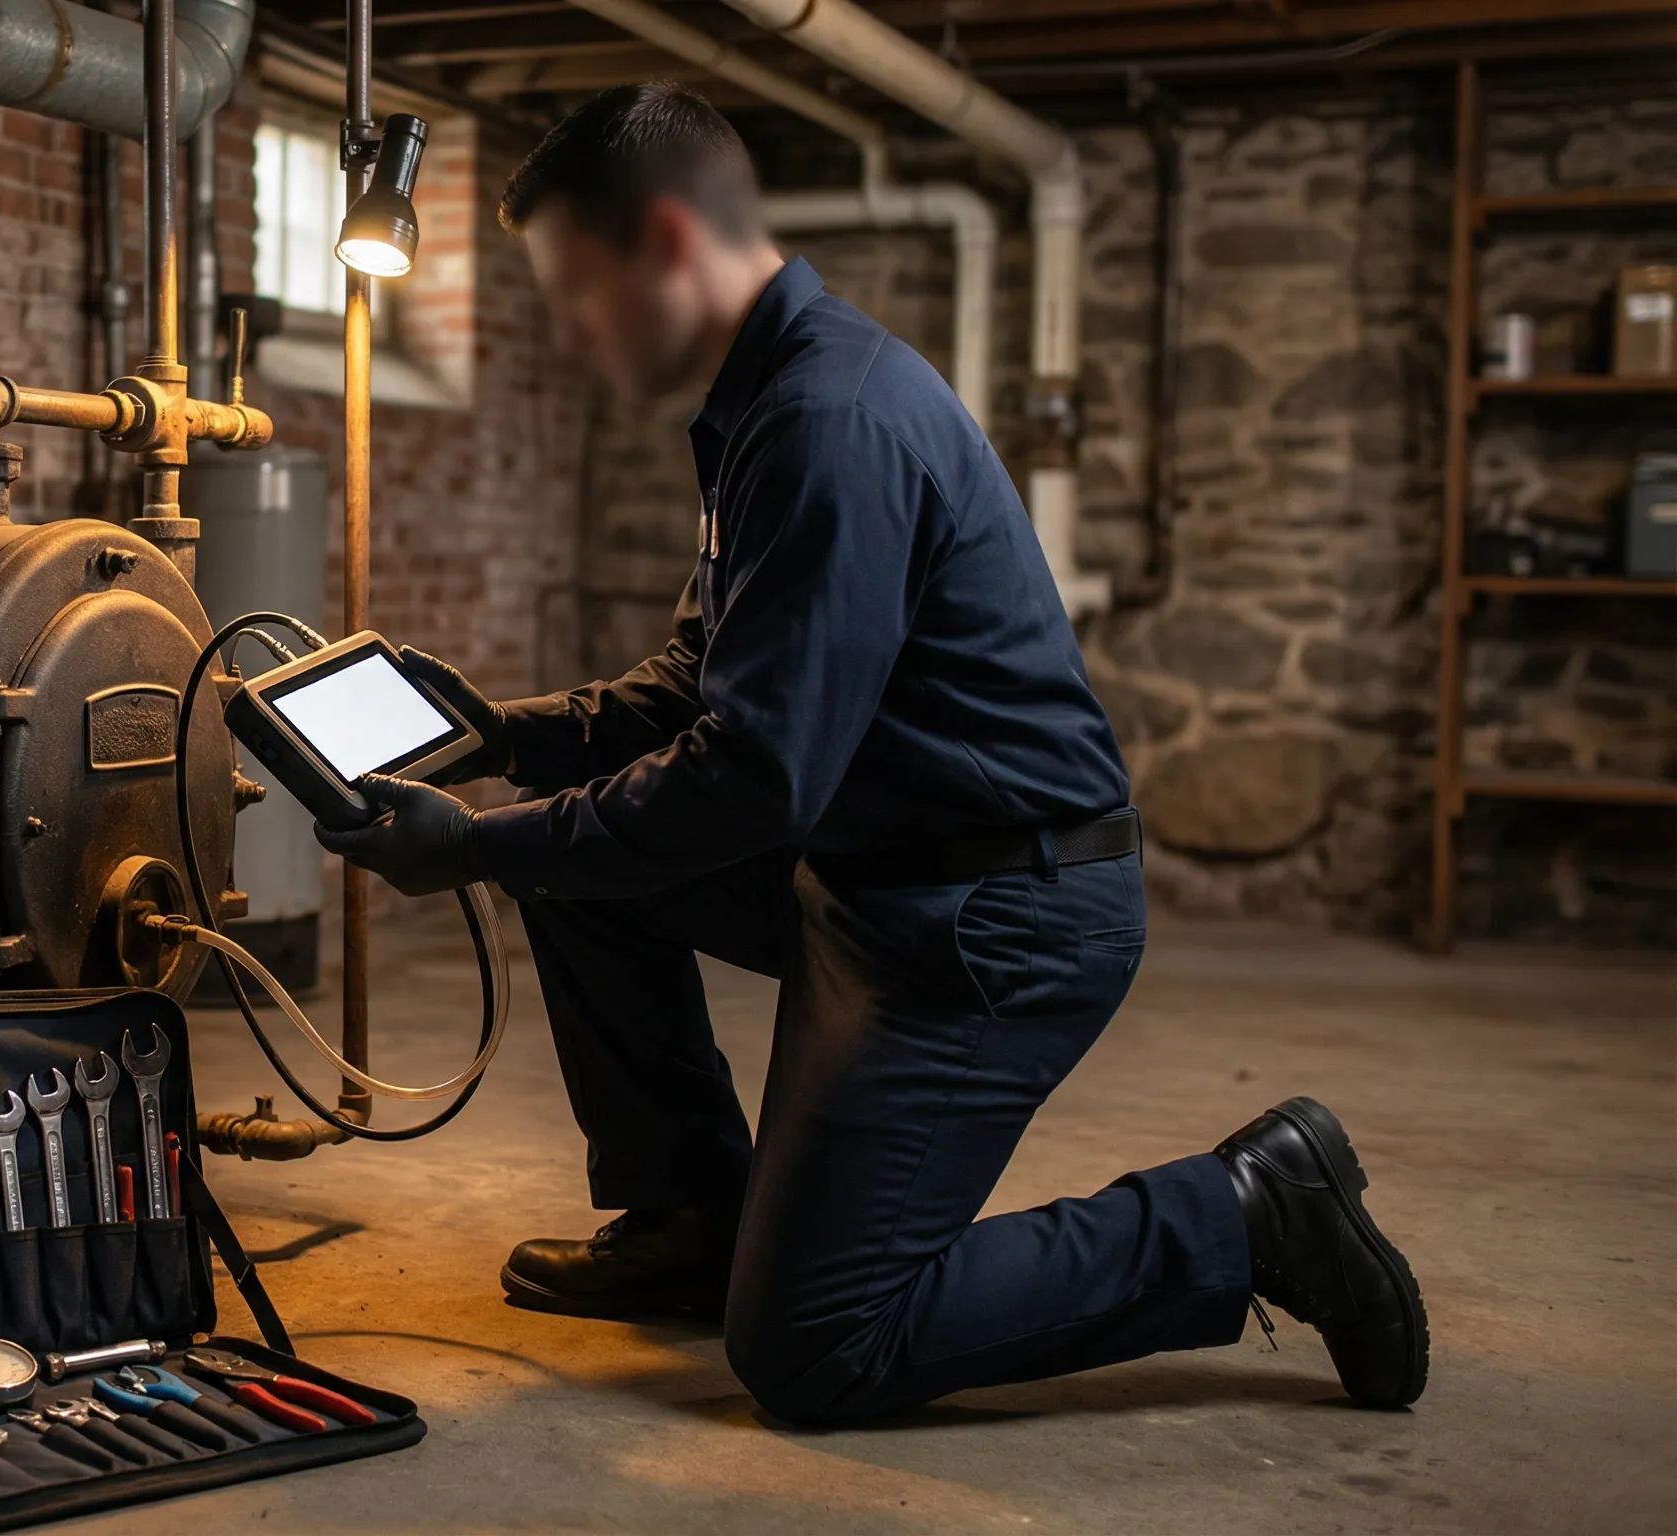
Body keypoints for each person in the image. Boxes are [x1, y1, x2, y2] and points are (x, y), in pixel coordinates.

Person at [315, 83, 1427, 1425]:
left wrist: (479, 846)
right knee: (575, 858)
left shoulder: (827, 422)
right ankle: (694, 1222)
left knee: (817, 1345)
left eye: (575, 291)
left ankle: (1248, 1216)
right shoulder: (763, 403)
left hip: (993, 919)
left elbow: (755, 773)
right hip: (873, 877)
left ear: (669, 245)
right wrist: (508, 737)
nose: (566, 331)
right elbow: (698, 683)